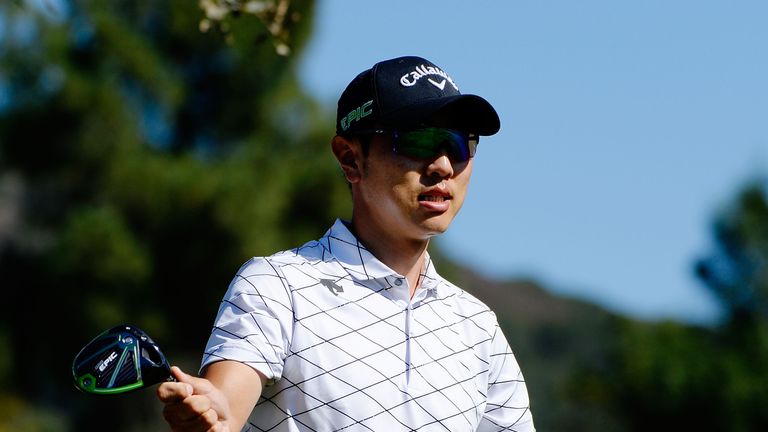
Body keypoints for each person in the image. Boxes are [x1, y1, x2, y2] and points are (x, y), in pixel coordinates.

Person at [157, 56, 535, 432]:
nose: (442, 166)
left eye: (458, 144)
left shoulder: (478, 327)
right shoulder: (278, 285)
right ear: (350, 158)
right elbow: (225, 407)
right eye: (419, 140)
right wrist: (211, 414)